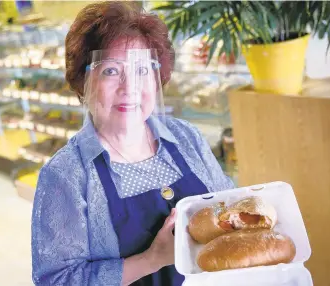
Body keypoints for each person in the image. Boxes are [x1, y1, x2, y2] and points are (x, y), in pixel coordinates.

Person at [31, 2, 234, 286]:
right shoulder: (65, 175)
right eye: (111, 71)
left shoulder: (186, 136)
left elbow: (226, 202)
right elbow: (57, 280)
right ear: (83, 82)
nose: (130, 88)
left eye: (142, 70)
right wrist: (151, 259)